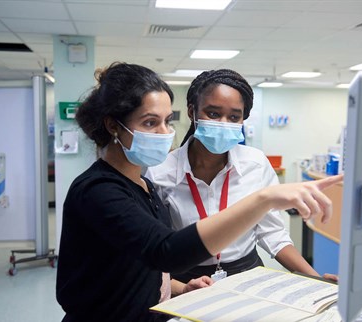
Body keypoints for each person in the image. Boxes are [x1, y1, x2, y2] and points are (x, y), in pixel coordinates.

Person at [56, 62, 342, 322]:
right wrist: (263, 199)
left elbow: (144, 263)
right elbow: (163, 250)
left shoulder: (143, 186)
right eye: (149, 123)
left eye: (167, 121)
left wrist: (179, 288)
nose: (164, 133)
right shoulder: (104, 189)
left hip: (215, 285)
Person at [146, 68, 337, 284]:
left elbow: (272, 233)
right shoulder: (159, 171)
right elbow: (156, 247)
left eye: (234, 117)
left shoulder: (255, 164)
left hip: (247, 273)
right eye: (213, 113)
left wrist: (316, 279)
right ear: (192, 112)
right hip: (186, 279)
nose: (224, 123)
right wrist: (179, 288)